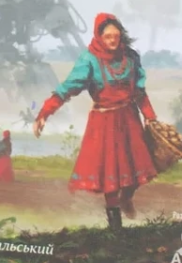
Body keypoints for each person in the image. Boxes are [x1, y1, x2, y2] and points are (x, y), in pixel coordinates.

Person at [34, 12, 157, 230]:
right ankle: (115, 226)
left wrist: (150, 117)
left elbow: (139, 91)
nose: (112, 41)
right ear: (99, 37)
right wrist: (44, 113)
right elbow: (68, 88)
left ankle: (126, 198)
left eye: (116, 36)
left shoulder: (130, 57)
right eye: (108, 37)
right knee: (111, 175)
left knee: (138, 168)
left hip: (129, 119)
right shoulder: (89, 59)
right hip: (104, 122)